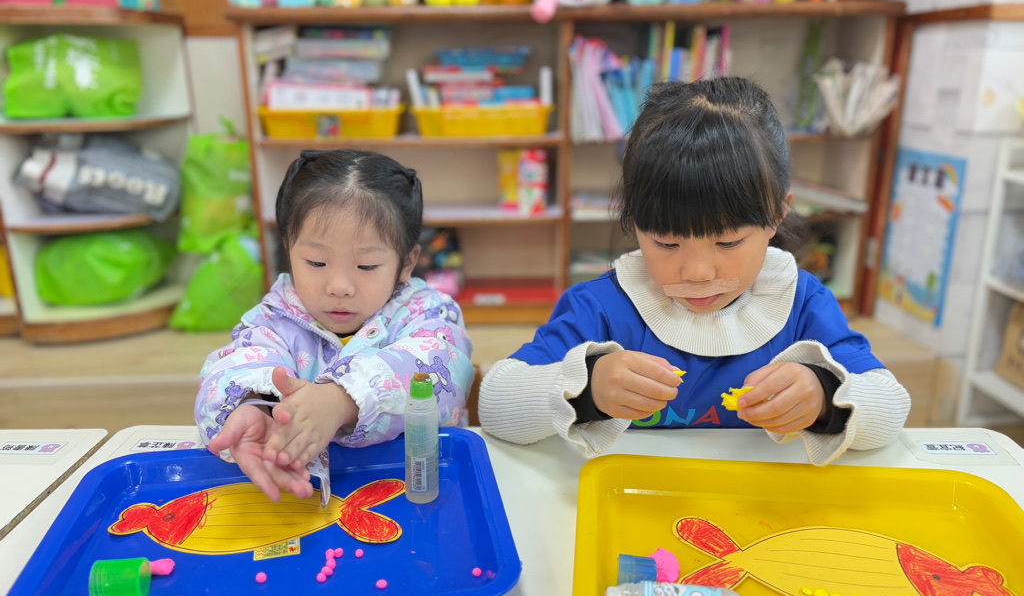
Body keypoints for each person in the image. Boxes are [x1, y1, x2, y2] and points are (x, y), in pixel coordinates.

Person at [479, 78, 909, 466]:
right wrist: (586, 388)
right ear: (635, 222)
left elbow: (891, 408)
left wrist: (825, 397)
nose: (698, 272)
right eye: (666, 244)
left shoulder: (801, 304)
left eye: (728, 242)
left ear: (778, 213)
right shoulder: (603, 308)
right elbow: (495, 405)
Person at [196, 149, 474, 500]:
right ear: (289, 249)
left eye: (366, 266)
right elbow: (233, 367)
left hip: (412, 487)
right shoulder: (275, 317)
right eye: (316, 262)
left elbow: (443, 368)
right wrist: (254, 406)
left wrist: (342, 400)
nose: (339, 286)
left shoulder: (427, 312)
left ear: (406, 263)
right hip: (304, 495)